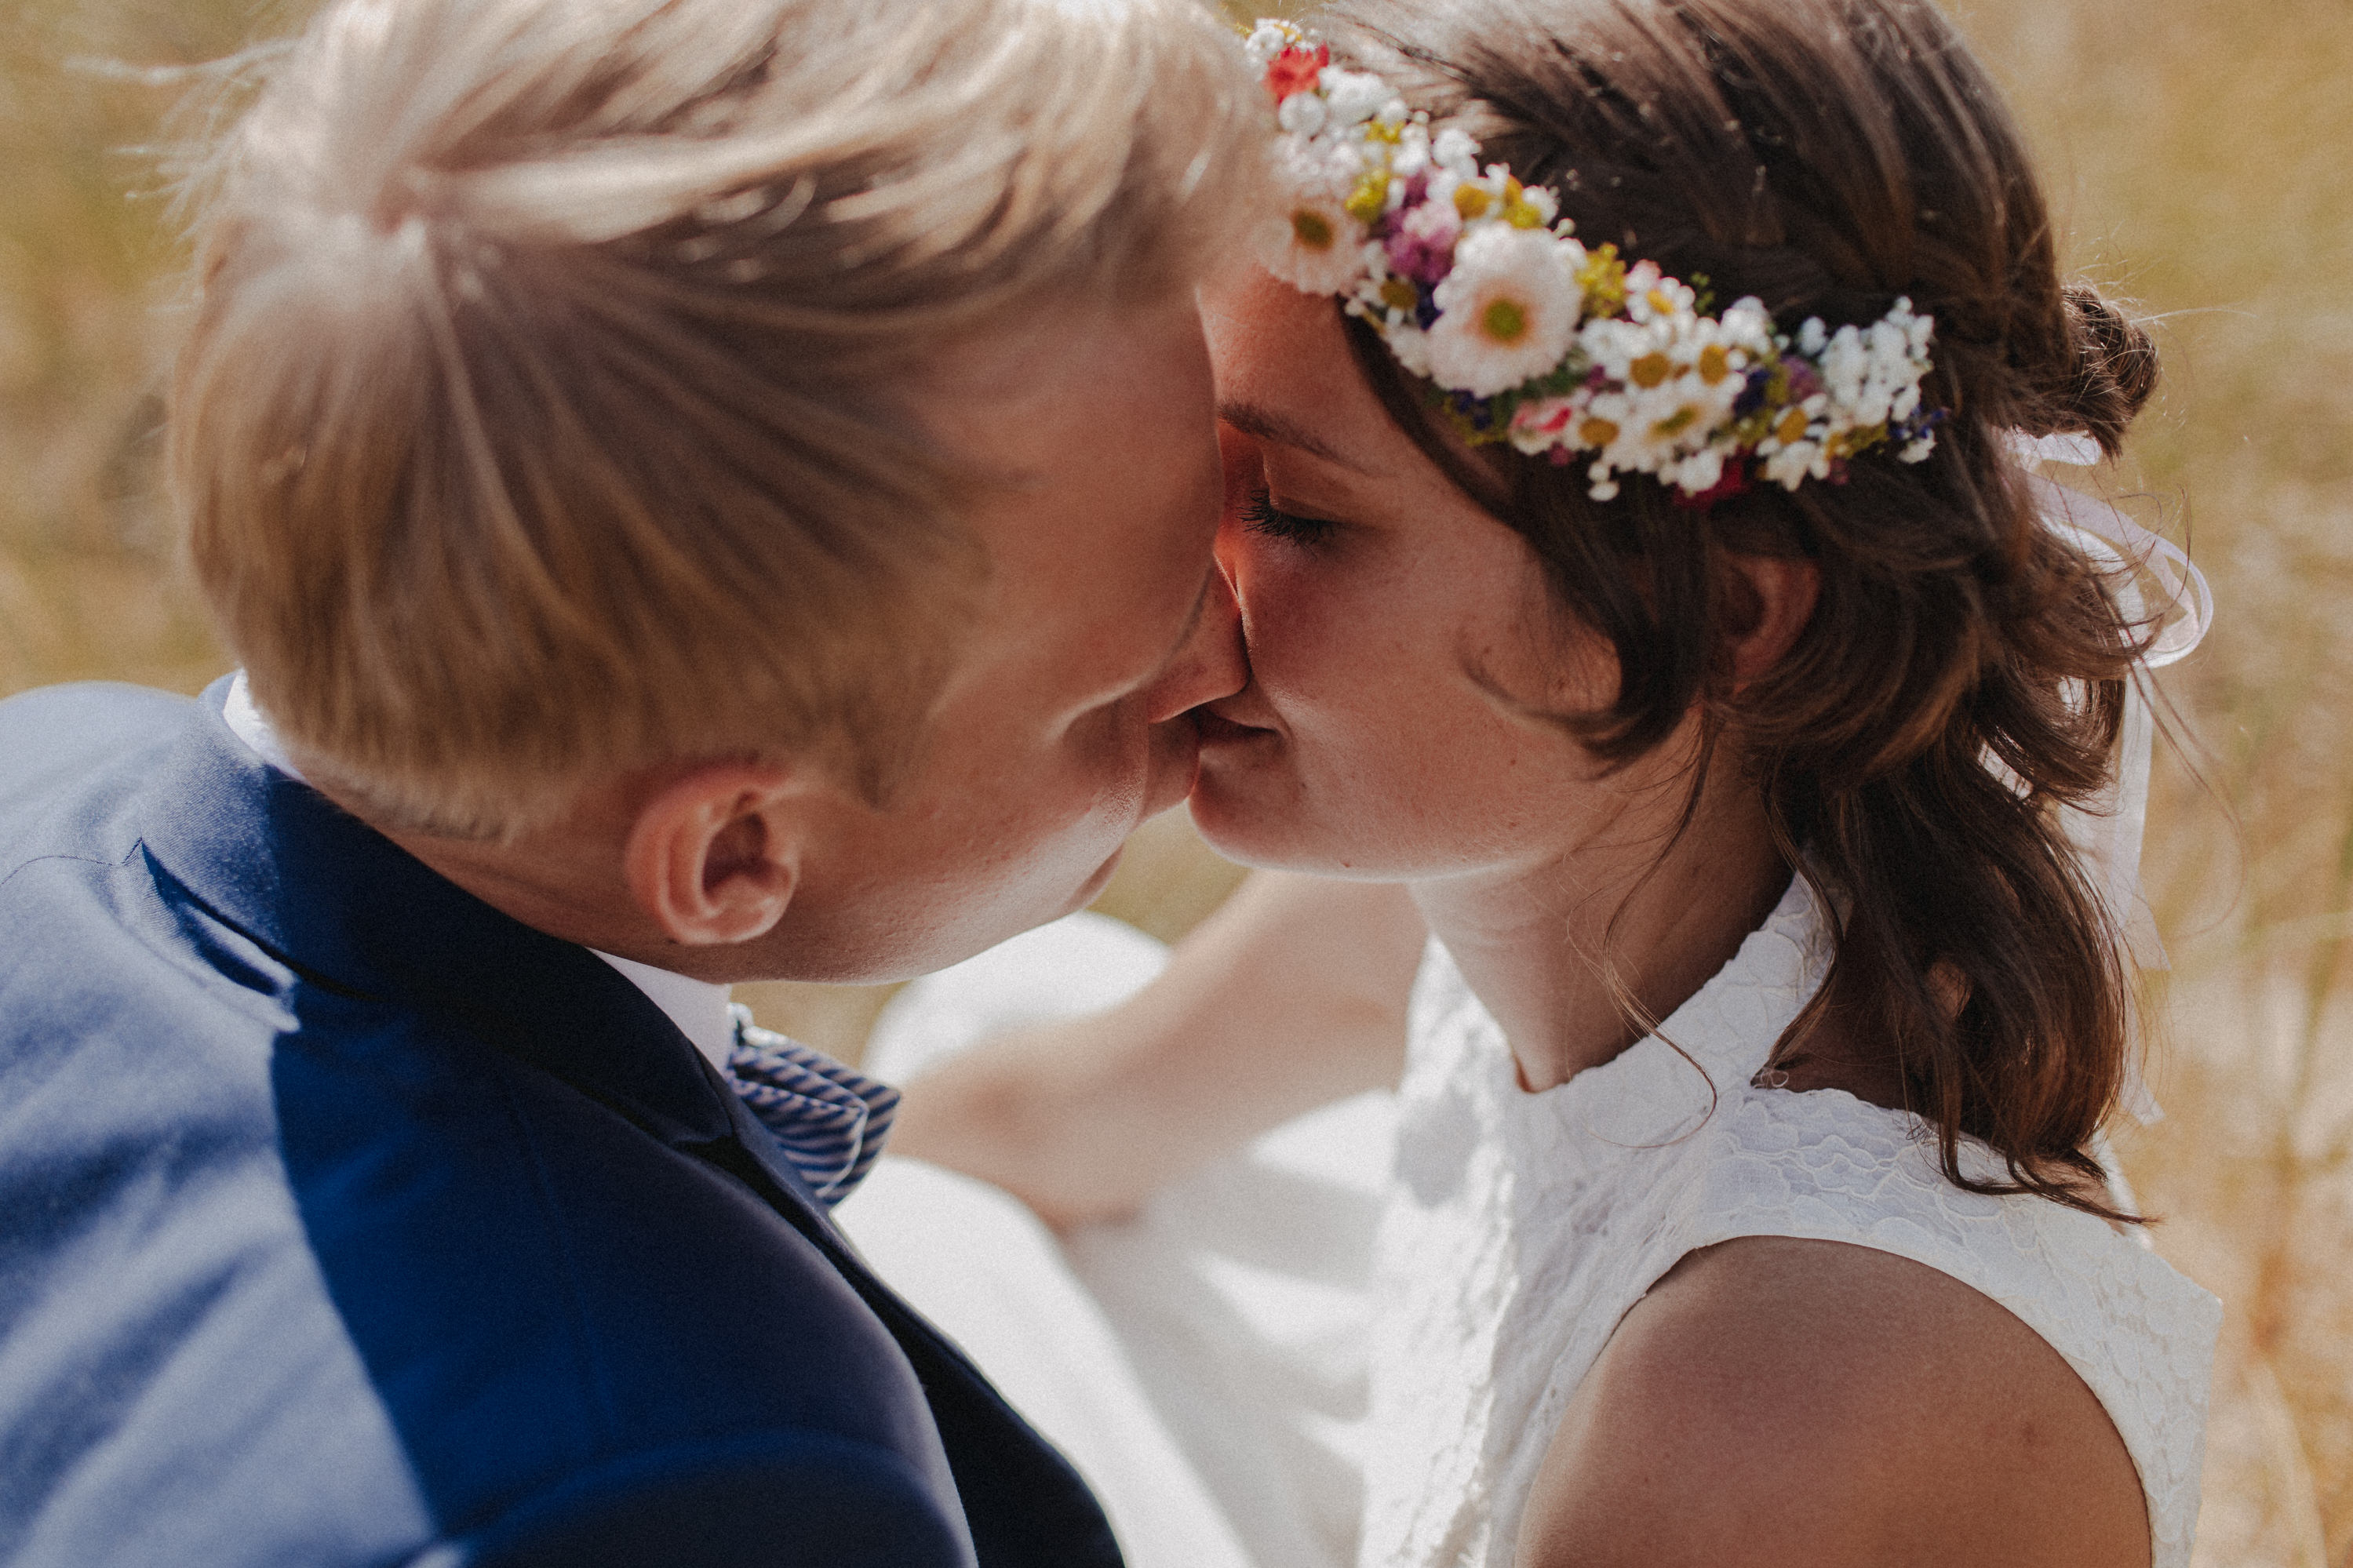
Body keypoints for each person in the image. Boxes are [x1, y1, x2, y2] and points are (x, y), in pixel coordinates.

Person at [877, 2, 2224, 1565]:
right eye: (1199, 465)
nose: (1182, 577)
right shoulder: (1520, 885)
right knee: (969, 1064)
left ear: (1714, 613)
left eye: (1300, 516)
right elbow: (1038, 1123)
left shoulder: (1773, 1394)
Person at [0, 0, 1262, 1561]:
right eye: (1130, 680)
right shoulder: (692, 1481)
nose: (1236, 650)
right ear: (734, 851)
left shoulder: (45, 776)